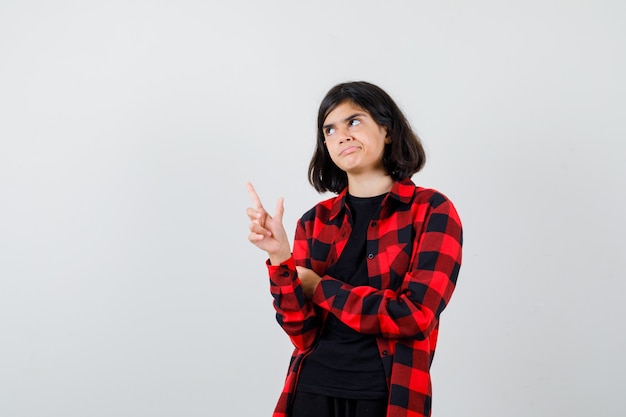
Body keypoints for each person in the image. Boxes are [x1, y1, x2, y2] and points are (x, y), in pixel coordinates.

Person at [246, 81, 463, 417]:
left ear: (387, 130)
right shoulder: (314, 222)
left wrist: (320, 287)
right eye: (329, 130)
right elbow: (302, 334)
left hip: (387, 397)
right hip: (310, 392)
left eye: (354, 121)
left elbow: (414, 317)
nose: (342, 135)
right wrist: (279, 258)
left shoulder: (431, 210)